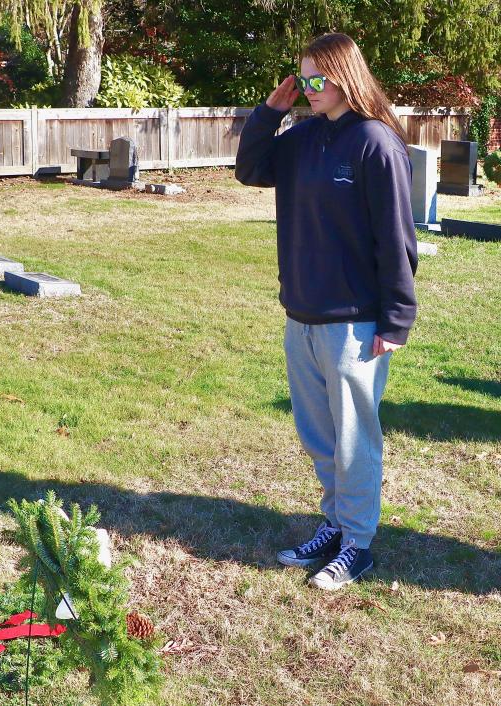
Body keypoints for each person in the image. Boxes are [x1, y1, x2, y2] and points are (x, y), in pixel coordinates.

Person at [235, 33, 417, 590]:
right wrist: (271, 111)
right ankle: (336, 524)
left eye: (319, 79)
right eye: (304, 79)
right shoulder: (303, 135)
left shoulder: (375, 142)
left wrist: (396, 319)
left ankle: (357, 544)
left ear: (346, 75)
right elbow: (250, 169)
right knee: (319, 435)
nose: (311, 89)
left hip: (354, 321)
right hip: (302, 314)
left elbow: (397, 239)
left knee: (354, 437)